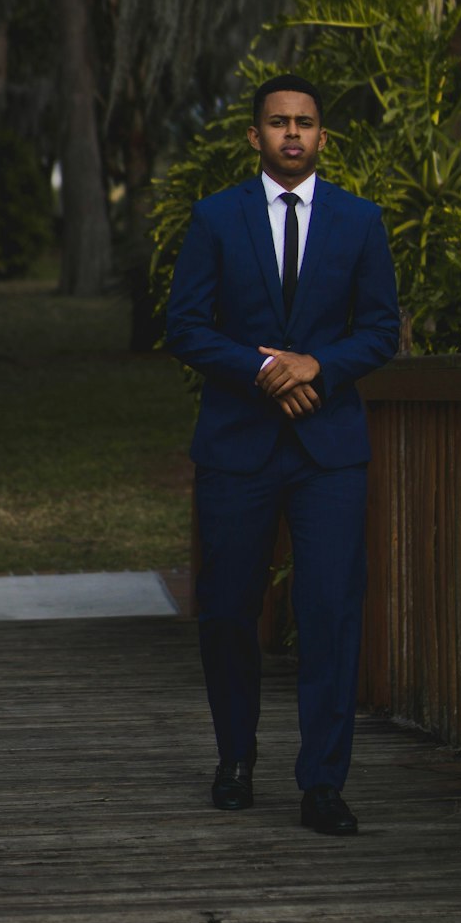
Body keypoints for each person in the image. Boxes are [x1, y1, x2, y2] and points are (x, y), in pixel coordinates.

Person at [166, 73, 399, 835]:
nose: (291, 133)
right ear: (254, 136)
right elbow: (187, 326)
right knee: (229, 608)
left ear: (323, 137)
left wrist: (317, 367)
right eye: (277, 122)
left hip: (329, 450)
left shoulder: (361, 222)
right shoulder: (214, 219)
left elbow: (381, 329)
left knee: (329, 610)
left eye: (304, 122)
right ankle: (235, 757)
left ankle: (323, 782)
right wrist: (263, 369)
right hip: (238, 446)